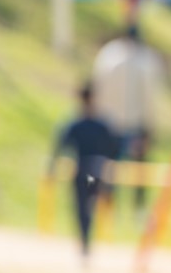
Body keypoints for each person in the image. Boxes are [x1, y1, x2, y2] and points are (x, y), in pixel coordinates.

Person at [91, 24, 162, 219]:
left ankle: (106, 208)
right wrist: (150, 126)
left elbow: (97, 87)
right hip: (133, 124)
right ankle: (138, 209)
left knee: (107, 167)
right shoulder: (144, 59)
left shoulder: (108, 55)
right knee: (139, 169)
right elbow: (149, 97)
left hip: (107, 122)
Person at [47, 84, 121, 262]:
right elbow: (114, 149)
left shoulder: (76, 124)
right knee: (90, 206)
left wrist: (52, 168)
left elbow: (60, 146)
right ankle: (86, 242)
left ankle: (85, 242)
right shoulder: (102, 124)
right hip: (97, 171)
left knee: (82, 208)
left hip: (83, 172)